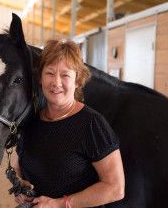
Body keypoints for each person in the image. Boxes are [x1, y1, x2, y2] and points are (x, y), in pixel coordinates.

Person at [12, 39, 125, 208]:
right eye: (49, 73)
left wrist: (60, 204)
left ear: (78, 81)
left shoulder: (92, 124)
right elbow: (16, 168)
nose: (56, 82)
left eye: (65, 75)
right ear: (40, 78)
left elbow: (115, 188)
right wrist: (19, 187)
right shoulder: (30, 122)